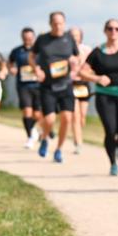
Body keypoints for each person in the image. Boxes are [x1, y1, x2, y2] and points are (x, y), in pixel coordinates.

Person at [78, 19, 118, 176]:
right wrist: (98, 78)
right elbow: (82, 72)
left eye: (117, 28)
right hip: (104, 95)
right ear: (105, 31)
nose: (113, 31)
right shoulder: (97, 52)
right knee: (110, 130)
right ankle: (113, 163)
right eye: (110, 28)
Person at [30, 11, 79, 164]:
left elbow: (76, 56)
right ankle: (44, 138)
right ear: (50, 24)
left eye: (61, 23)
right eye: (55, 23)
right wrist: (36, 69)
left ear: (64, 23)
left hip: (65, 84)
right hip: (47, 86)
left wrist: (74, 64)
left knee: (67, 118)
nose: (58, 26)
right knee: (50, 119)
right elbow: (31, 56)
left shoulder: (69, 39)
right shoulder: (43, 39)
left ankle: (58, 150)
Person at [8, 27, 42, 149]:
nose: (28, 40)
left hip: (38, 85)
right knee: (27, 111)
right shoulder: (17, 51)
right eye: (25, 38)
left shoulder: (39, 51)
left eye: (30, 38)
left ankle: (35, 129)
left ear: (33, 38)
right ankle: (30, 137)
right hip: (23, 85)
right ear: (22, 38)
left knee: (37, 114)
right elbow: (10, 63)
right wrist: (11, 69)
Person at [70, 26, 93, 155]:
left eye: (76, 35)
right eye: (72, 35)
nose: (74, 37)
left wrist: (85, 72)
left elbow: (93, 66)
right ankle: (78, 142)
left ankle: (77, 133)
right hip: (71, 84)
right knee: (75, 115)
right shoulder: (65, 50)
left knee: (82, 116)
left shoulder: (87, 49)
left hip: (83, 84)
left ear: (80, 37)